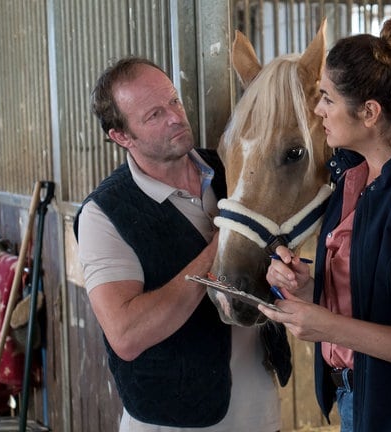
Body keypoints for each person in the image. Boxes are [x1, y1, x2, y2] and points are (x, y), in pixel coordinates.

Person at [261, 16, 391, 432]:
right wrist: (307, 285)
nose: (318, 112)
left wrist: (328, 327)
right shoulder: (353, 177)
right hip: (358, 400)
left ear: (369, 112)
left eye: (328, 99)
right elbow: (374, 284)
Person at [74, 56, 291, 431]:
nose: (176, 117)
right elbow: (126, 335)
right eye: (154, 115)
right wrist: (218, 249)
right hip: (171, 421)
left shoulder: (231, 170)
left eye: (173, 101)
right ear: (121, 137)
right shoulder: (104, 214)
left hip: (258, 406)